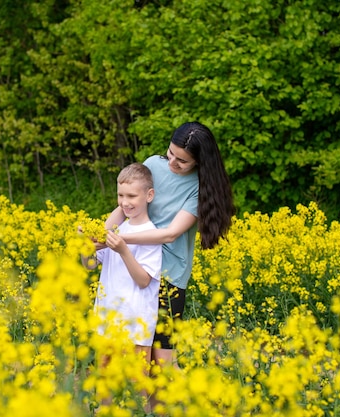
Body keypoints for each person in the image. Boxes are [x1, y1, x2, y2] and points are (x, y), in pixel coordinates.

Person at [104, 121, 234, 409]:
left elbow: (171, 233)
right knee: (140, 357)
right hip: (136, 267)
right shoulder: (154, 164)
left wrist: (121, 239)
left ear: (199, 162)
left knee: (163, 362)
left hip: (167, 279)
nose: (172, 162)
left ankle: (200, 408)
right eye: (170, 154)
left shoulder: (201, 188)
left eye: (182, 160)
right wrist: (103, 231)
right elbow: (126, 203)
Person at [82, 162, 162, 407]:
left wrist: (124, 250)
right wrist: (85, 247)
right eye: (120, 195)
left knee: (137, 384)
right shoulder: (116, 229)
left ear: (149, 195)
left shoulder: (151, 234)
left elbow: (143, 280)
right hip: (107, 322)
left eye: (131, 196)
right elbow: (90, 265)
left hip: (136, 326)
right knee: (104, 379)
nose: (125, 202)